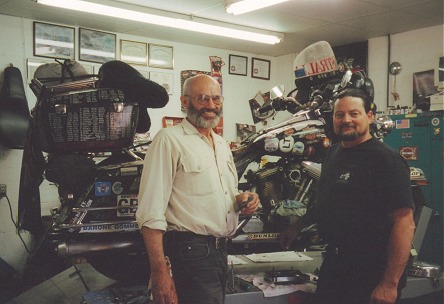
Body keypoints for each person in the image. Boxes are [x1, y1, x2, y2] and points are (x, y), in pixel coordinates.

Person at [280, 87, 415, 304]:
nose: (346, 120)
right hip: (336, 264)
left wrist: (390, 283)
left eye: (354, 113)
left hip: (370, 272)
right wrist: (296, 226)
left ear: (369, 117)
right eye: (339, 115)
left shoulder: (386, 161)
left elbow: (404, 224)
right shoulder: (334, 153)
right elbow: (326, 202)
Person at [136, 74, 259, 304]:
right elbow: (150, 212)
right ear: (185, 102)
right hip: (190, 252)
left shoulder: (222, 145)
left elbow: (226, 195)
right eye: (202, 99)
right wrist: (159, 272)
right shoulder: (169, 140)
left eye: (216, 99)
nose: (211, 106)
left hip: (220, 252)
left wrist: (243, 199)